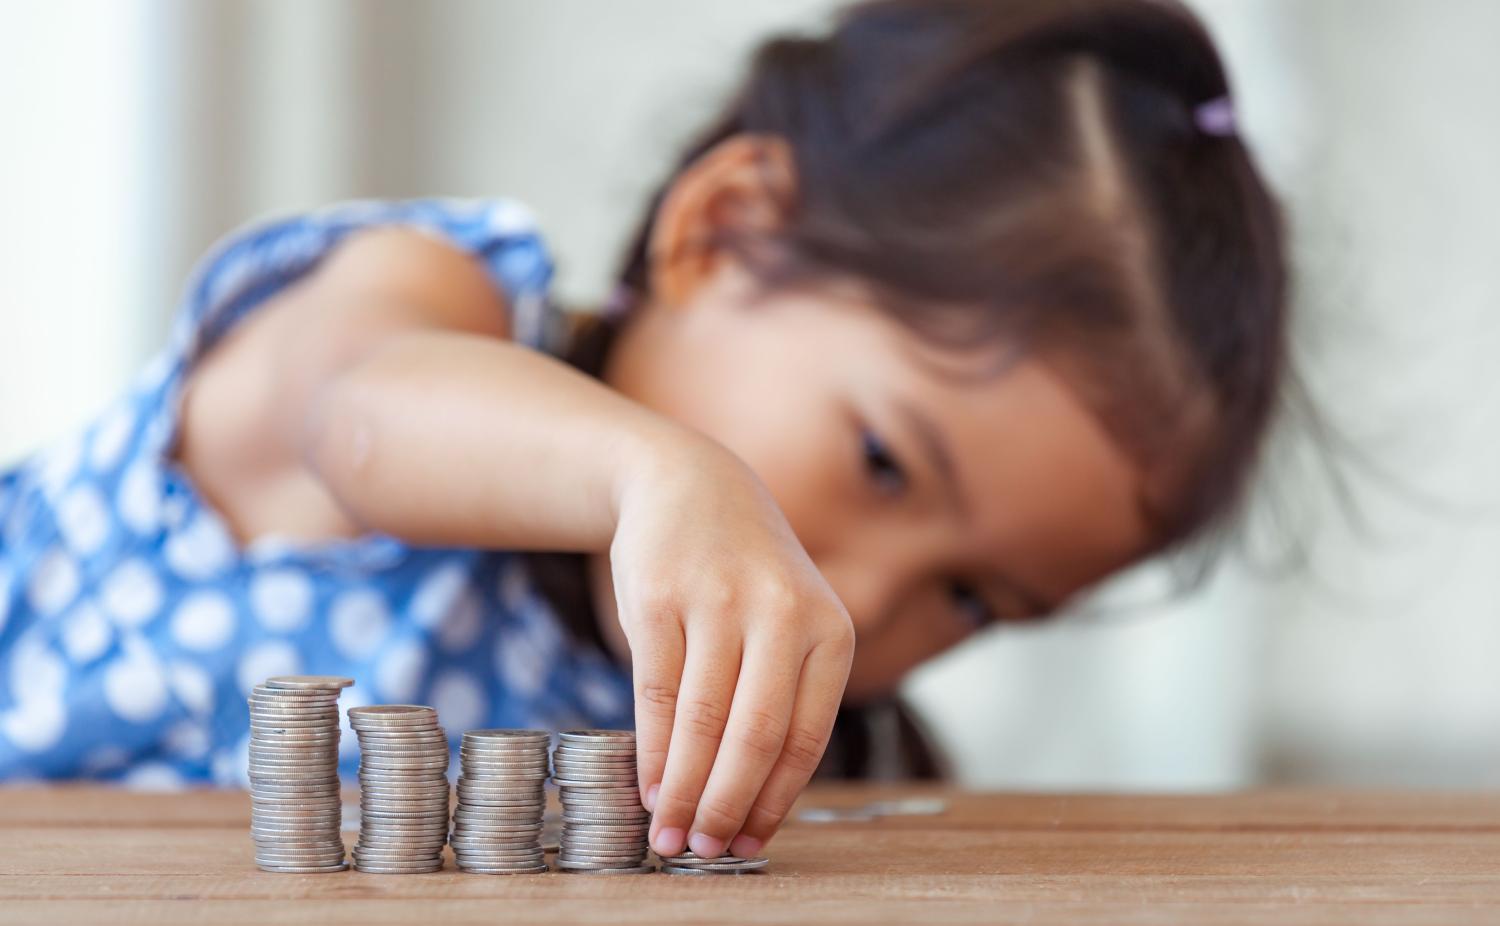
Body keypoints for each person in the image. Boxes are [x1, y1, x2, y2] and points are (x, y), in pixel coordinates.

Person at [0, 0, 1287, 862]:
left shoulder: (736, 746)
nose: (864, 597)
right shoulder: (437, 302)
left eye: (971, 596)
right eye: (883, 461)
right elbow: (361, 411)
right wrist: (653, 472)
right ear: (720, 232)